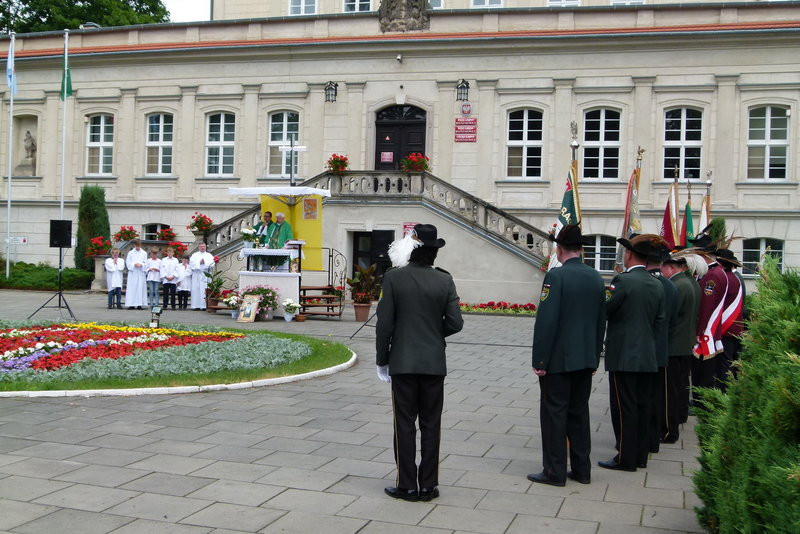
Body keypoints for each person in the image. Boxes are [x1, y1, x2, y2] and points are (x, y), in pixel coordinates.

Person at [376, 223, 463, 502]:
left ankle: (406, 485)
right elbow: (455, 323)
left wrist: (382, 360)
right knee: (431, 424)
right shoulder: (444, 280)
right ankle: (428, 485)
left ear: (411, 250)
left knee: (404, 423)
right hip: (434, 363)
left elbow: (384, 325)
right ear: (434, 254)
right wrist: (433, 334)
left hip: (402, 361)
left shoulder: (393, 278)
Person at [529, 224, 605, 487]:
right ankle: (582, 470)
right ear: (581, 249)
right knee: (579, 414)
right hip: (585, 359)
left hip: (559, 360)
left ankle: (554, 471)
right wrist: (595, 356)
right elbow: (600, 321)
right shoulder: (596, 277)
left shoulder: (556, 277)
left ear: (559, 249)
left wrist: (540, 360)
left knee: (554, 415)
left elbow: (546, 322)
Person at [600, 234, 665, 472]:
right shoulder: (656, 284)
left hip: (624, 354)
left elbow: (606, 309)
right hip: (648, 355)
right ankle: (639, 456)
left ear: (629, 255)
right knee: (642, 406)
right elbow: (660, 322)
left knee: (623, 407)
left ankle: (624, 458)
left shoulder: (623, 281)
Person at [660, 250, 701, 442]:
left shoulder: (678, 285)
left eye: (663, 268)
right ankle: (677, 419)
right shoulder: (689, 282)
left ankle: (669, 430)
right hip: (684, 343)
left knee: (669, 392)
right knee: (679, 387)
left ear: (671, 267)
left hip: (674, 345)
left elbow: (670, 317)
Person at [643, 236, 678, 454]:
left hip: (643, 350)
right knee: (656, 398)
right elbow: (672, 320)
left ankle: (645, 439)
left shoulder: (646, 283)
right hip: (662, 348)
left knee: (642, 399)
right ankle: (654, 439)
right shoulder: (670, 286)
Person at [689, 230, 728, 400]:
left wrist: (698, 332)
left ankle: (701, 402)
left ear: (703, 255)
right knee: (700, 371)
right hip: (709, 331)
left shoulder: (712, 276)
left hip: (706, 333)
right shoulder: (711, 273)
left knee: (702, 372)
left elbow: (706, 307)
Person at [715, 248, 745, 390]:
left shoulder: (724, 278)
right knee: (729, 362)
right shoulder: (735, 278)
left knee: (724, 363)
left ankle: (723, 393)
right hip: (735, 326)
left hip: (726, 327)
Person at [189, 242, 215, 310]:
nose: (202, 247)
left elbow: (212, 264)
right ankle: (195, 305)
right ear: (198, 247)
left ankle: (204, 306)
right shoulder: (194, 255)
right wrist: (199, 263)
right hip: (197, 274)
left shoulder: (209, 255)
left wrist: (205, 263)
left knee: (204, 290)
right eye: (201, 246)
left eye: (203, 246)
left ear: (205, 247)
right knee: (196, 290)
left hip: (205, 275)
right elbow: (191, 264)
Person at [124, 239, 148, 309]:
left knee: (140, 288)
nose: (138, 247)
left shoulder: (144, 253)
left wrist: (141, 265)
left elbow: (145, 263)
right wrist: (134, 264)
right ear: (134, 245)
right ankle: (131, 304)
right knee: (132, 288)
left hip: (140, 272)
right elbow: (128, 262)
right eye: (137, 246)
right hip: (133, 273)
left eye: (139, 246)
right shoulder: (130, 253)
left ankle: (139, 304)